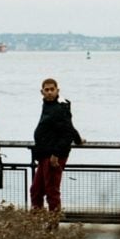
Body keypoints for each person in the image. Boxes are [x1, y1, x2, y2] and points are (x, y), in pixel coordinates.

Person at [30, 78, 85, 212]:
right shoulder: (47, 106)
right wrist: (78, 139)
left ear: (57, 90)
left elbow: (67, 132)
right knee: (36, 190)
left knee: (52, 192)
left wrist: (56, 154)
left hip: (53, 156)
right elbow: (70, 127)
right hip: (43, 154)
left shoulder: (60, 108)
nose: (49, 92)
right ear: (41, 92)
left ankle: (52, 227)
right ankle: (35, 224)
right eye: (46, 90)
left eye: (52, 89)